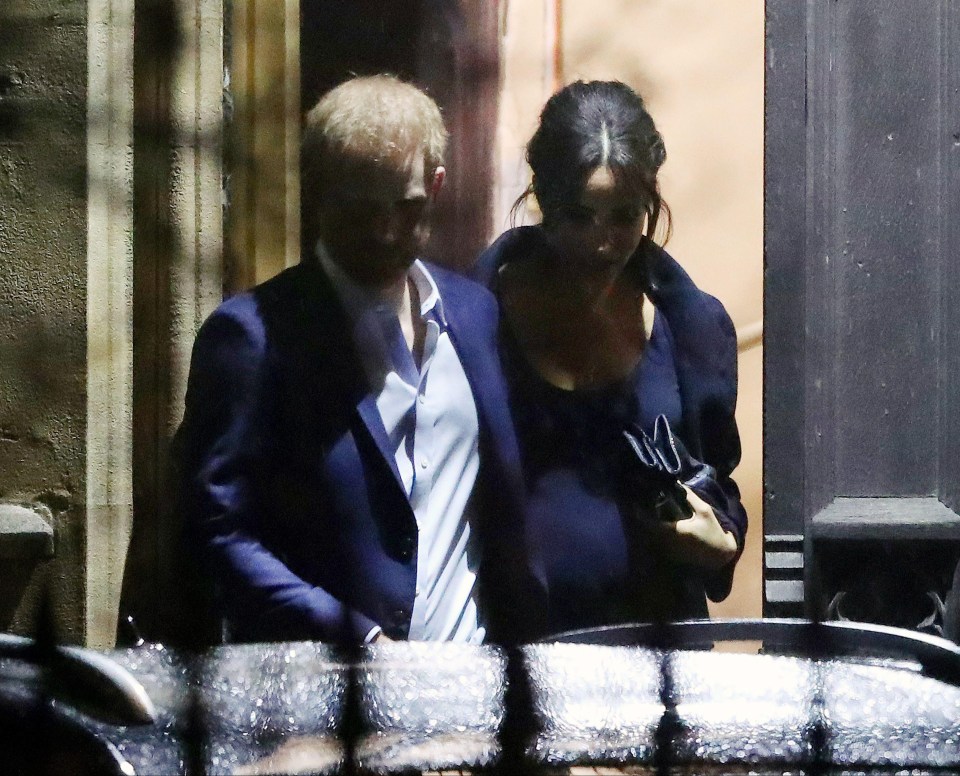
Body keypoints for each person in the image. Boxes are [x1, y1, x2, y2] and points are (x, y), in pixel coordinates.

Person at [175, 74, 544, 646]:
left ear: (438, 187)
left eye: (406, 205)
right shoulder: (254, 336)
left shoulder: (476, 315)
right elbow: (214, 528)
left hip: (470, 694)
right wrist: (358, 641)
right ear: (319, 192)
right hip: (323, 701)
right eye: (360, 209)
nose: (386, 230)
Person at [473, 80, 747, 634]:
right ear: (543, 202)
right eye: (579, 216)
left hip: (656, 656)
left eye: (623, 217)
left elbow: (718, 483)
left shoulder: (691, 326)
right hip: (511, 654)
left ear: (649, 207)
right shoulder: (473, 318)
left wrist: (719, 542)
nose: (602, 243)